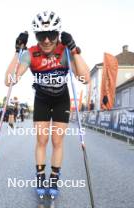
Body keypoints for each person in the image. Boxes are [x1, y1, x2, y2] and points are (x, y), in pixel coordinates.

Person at [5, 11, 90, 198]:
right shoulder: (31, 53)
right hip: (42, 99)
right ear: (36, 36)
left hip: (61, 99)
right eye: (41, 35)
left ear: (58, 34)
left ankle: (54, 178)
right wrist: (17, 53)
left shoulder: (65, 51)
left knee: (57, 141)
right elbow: (9, 81)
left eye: (51, 35)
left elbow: (85, 78)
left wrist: (75, 50)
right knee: (42, 141)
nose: (46, 40)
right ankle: (40, 177)